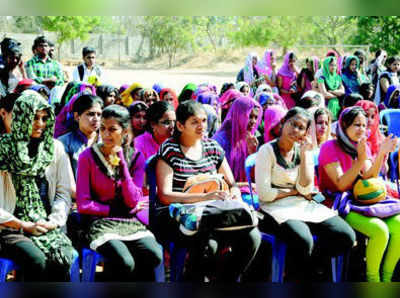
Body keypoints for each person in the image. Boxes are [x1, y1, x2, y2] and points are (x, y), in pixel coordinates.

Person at [155, 100, 261, 281]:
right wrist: (204, 196)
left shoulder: (213, 147)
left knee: (252, 237)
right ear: (180, 125)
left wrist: (234, 193)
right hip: (179, 216)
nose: (201, 126)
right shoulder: (170, 150)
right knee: (207, 245)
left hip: (213, 213)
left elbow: (231, 183)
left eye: (203, 121)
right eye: (194, 122)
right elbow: (165, 196)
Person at [255, 107, 355, 281]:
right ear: (284, 121)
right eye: (293, 124)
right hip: (274, 209)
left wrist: (306, 155)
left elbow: (306, 189)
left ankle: (314, 268)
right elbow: (265, 194)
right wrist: (293, 192)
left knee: (346, 236)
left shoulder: (302, 151)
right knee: (303, 240)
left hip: (302, 204)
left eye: (301, 128)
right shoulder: (267, 151)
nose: (296, 130)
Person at [76, 104, 162, 281]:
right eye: (103, 129)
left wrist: (122, 163)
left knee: (154, 255)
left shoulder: (136, 158)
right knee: (125, 262)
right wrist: (113, 211)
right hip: (99, 222)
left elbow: (132, 201)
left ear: (124, 131)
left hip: (128, 222)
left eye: (112, 129)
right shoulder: (87, 157)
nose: (106, 135)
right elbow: (83, 204)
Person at [0, 90, 77, 281]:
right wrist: (22, 225)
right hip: (7, 226)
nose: (40, 124)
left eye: (44, 118)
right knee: (36, 259)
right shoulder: (3, 149)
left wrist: (53, 221)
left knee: (62, 258)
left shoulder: (54, 148)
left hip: (43, 223)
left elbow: (63, 192)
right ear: (21, 116)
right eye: (34, 117)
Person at [318, 106, 400, 282]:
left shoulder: (362, 146)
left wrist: (381, 154)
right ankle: (373, 280)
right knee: (380, 230)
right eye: (357, 125)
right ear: (344, 125)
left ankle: (387, 278)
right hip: (339, 204)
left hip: (363, 200)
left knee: (399, 226)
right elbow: (341, 185)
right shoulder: (329, 148)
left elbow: (370, 176)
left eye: (364, 125)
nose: (362, 129)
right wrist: (361, 160)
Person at [213, 96, 261, 185]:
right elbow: (217, 180)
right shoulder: (220, 140)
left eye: (256, 117)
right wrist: (244, 185)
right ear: (238, 115)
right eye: (249, 116)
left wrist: (252, 153)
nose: (253, 121)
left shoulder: (249, 139)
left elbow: (254, 177)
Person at [58, 94, 103, 179]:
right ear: (77, 116)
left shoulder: (106, 141)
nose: (96, 119)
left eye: (99, 114)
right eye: (91, 114)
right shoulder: (63, 142)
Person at [318, 56, 345, 121]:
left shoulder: (338, 77)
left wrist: (332, 92)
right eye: (331, 65)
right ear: (326, 66)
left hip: (338, 106)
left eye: (335, 65)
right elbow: (324, 94)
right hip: (326, 106)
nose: (333, 67)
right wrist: (337, 94)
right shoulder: (320, 78)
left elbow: (342, 92)